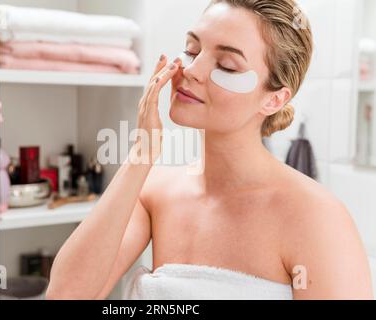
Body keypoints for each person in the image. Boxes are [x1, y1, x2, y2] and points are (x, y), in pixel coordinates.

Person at [46, 0, 373, 300]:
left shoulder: (315, 217)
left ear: (274, 99)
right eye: (191, 50)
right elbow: (66, 295)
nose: (192, 70)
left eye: (228, 66)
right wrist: (139, 156)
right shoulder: (153, 194)